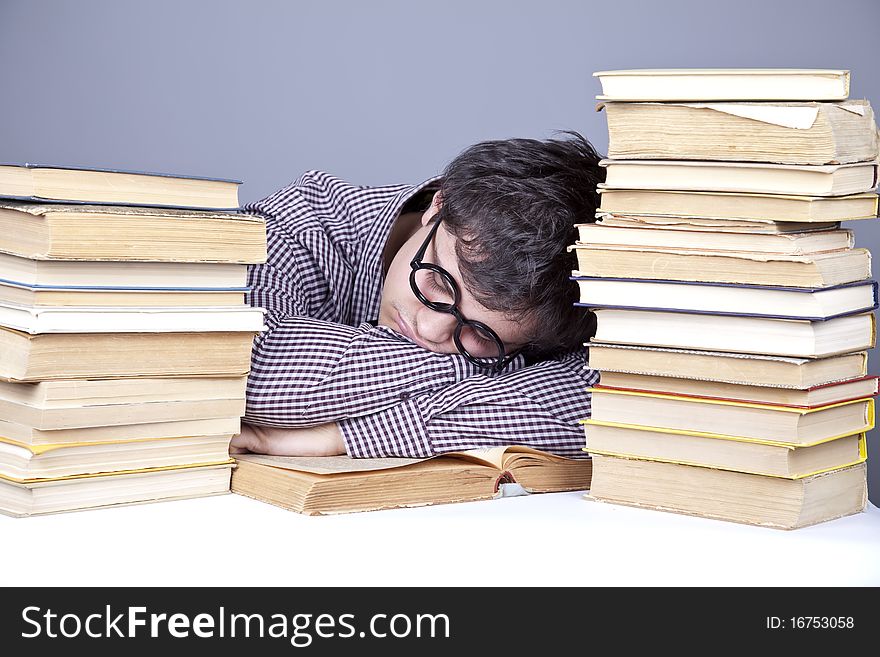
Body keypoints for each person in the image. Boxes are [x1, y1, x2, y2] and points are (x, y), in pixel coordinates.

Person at [230, 131, 604, 458]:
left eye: (481, 334)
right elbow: (244, 366)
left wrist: (349, 435)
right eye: (439, 283)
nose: (429, 328)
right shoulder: (301, 222)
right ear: (438, 206)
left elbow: (612, 402)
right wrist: (503, 372)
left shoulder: (565, 304)